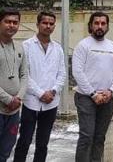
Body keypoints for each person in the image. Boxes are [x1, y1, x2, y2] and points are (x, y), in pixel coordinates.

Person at [13, 12, 66, 162]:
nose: (48, 26)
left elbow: (62, 74)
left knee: (43, 144)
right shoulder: (26, 46)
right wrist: (41, 93)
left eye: (51, 24)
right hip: (31, 102)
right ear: (37, 25)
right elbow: (24, 75)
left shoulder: (58, 49)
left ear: (54, 26)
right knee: (24, 140)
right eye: (44, 23)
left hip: (51, 103)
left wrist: (54, 90)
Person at [72, 11, 113, 162]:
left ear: (107, 26)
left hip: (107, 98)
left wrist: (111, 91)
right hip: (86, 98)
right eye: (96, 23)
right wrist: (93, 94)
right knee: (87, 136)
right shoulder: (83, 45)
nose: (100, 26)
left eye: (103, 23)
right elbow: (77, 72)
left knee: (100, 137)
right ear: (90, 25)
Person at [0, 8, 27, 162]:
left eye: (15, 22)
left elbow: (24, 75)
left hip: (13, 111)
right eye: (7, 21)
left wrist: (18, 97)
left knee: (6, 150)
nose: (11, 25)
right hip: (3, 106)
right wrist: (8, 99)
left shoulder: (19, 47)